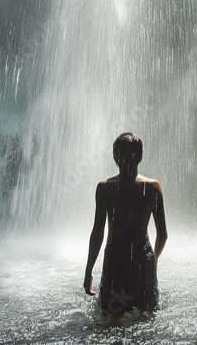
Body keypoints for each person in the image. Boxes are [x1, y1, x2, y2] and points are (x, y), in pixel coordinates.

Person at [83, 132, 167, 315]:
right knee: (147, 316)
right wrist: (153, 261)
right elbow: (163, 234)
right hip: (142, 258)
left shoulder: (105, 188)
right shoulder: (153, 187)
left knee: (109, 318)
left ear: (115, 156)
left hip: (115, 259)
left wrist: (88, 270)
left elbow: (97, 233)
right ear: (141, 156)